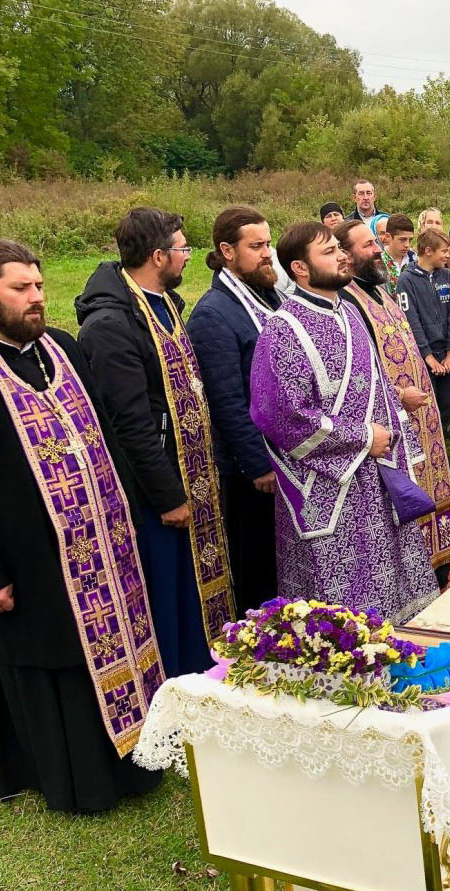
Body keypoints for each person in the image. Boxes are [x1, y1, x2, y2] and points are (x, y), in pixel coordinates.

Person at [0, 239, 164, 814]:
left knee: (123, 645)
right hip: (29, 557)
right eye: (21, 289)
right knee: (57, 660)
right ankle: (81, 781)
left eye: (39, 286)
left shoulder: (62, 350)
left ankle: (137, 764)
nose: (37, 298)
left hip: (104, 546)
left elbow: (109, 436)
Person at [250, 222, 438, 621]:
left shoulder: (349, 312)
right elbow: (282, 417)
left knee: (393, 583)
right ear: (300, 268)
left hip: (376, 477)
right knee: (341, 615)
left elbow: (373, 383)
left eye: (339, 247)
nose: (342, 256)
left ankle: (400, 654)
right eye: (329, 251)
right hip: (328, 490)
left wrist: (394, 438)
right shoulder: (283, 330)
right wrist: (363, 437)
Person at [75, 207, 232, 677]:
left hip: (194, 476)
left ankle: (208, 671)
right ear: (158, 255)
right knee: (169, 595)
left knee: (197, 590)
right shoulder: (110, 326)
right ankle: (178, 684)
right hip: (158, 492)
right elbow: (131, 423)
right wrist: (168, 496)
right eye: (183, 249)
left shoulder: (164, 303)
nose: (188, 257)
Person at [335, 220, 450, 586]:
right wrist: (396, 397)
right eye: (367, 244)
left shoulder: (379, 289)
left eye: (376, 241)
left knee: (429, 481)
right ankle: (414, 571)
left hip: (418, 414)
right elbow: (359, 371)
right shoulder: (347, 301)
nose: (379, 249)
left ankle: (435, 562)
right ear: (344, 256)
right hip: (388, 421)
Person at [185, 206, 281, 615]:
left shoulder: (267, 295)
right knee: (257, 566)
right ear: (227, 250)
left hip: (284, 453)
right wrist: (257, 465)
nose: (267, 254)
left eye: (268, 243)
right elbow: (226, 400)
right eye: (256, 246)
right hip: (249, 472)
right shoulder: (212, 314)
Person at [395, 228, 450, 441]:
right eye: (444, 251)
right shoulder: (406, 280)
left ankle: (440, 457)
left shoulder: (449, 276)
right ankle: (423, 457)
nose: (447, 255)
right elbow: (411, 322)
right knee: (424, 409)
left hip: (447, 356)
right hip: (422, 357)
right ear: (428, 251)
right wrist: (428, 356)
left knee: (444, 409)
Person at [417, 208, 450, 277]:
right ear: (421, 226)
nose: (434, 226)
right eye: (430, 222)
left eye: (438, 223)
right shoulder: (414, 254)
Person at [381, 213, 416, 293]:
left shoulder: (416, 259)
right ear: (388, 237)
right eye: (402, 239)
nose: (407, 245)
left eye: (410, 240)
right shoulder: (378, 262)